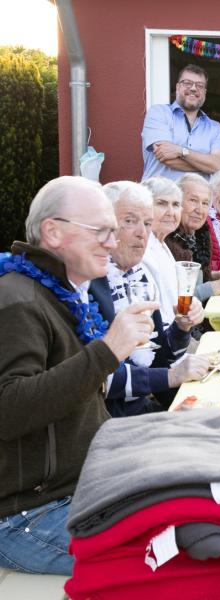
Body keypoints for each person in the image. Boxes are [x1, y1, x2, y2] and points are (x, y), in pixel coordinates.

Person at [0, 176, 156, 575]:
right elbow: (9, 408)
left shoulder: (64, 293)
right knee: (168, 554)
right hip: (25, 517)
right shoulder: (16, 300)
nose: (112, 241)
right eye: (101, 231)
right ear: (53, 232)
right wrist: (107, 351)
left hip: (81, 487)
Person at [92, 181, 207, 417]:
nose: (142, 233)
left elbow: (157, 359)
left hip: (141, 409)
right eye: (129, 221)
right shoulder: (89, 285)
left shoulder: (139, 277)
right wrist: (172, 377)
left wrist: (181, 327)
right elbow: (99, 379)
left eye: (146, 223)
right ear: (104, 227)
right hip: (109, 421)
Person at [165, 173, 220, 302]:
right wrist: (215, 286)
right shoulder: (166, 238)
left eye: (205, 203)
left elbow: (194, 282)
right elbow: (174, 300)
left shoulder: (199, 234)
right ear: (176, 203)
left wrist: (218, 275)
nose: (200, 210)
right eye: (193, 200)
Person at [141, 64, 220, 181]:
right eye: (187, 83)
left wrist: (180, 151)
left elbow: (217, 164)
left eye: (200, 85)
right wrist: (206, 165)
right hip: (159, 196)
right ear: (177, 87)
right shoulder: (158, 113)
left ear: (205, 92)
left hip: (197, 198)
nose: (193, 88)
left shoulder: (214, 128)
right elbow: (165, 157)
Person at [140, 176, 183, 324]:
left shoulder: (161, 244)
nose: (171, 212)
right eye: (162, 203)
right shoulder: (141, 248)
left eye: (176, 204)